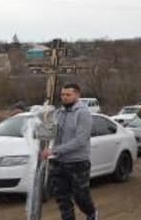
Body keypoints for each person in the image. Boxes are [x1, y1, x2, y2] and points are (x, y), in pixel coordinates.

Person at [42, 83, 98, 220]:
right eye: (62, 95)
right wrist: (44, 120)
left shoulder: (83, 113)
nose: (64, 97)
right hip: (58, 162)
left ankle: (92, 214)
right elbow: (49, 133)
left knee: (80, 197)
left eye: (68, 95)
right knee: (62, 199)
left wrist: (54, 150)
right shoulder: (59, 113)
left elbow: (80, 141)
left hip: (78, 163)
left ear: (77, 95)